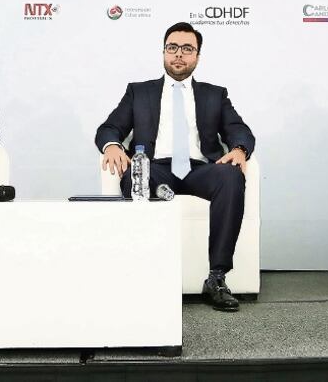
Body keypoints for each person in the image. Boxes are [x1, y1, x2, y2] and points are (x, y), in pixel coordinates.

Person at [95, 21, 255, 312]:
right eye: (172, 48)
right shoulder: (139, 92)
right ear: (163, 52)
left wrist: (240, 149)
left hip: (200, 169)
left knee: (231, 177)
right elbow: (108, 128)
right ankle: (143, 274)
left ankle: (217, 278)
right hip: (156, 166)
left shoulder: (214, 94)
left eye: (187, 49)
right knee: (137, 175)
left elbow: (238, 129)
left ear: (197, 56)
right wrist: (114, 145)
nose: (178, 54)